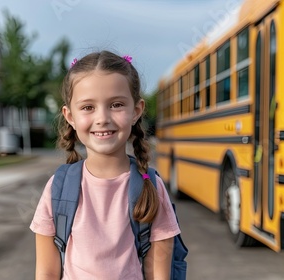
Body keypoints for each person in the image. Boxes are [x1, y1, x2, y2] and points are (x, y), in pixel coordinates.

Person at [30, 50, 181, 279]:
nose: (102, 118)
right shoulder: (57, 189)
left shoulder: (151, 187)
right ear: (70, 116)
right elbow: (46, 273)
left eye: (116, 104)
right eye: (88, 107)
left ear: (136, 111)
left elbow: (158, 274)